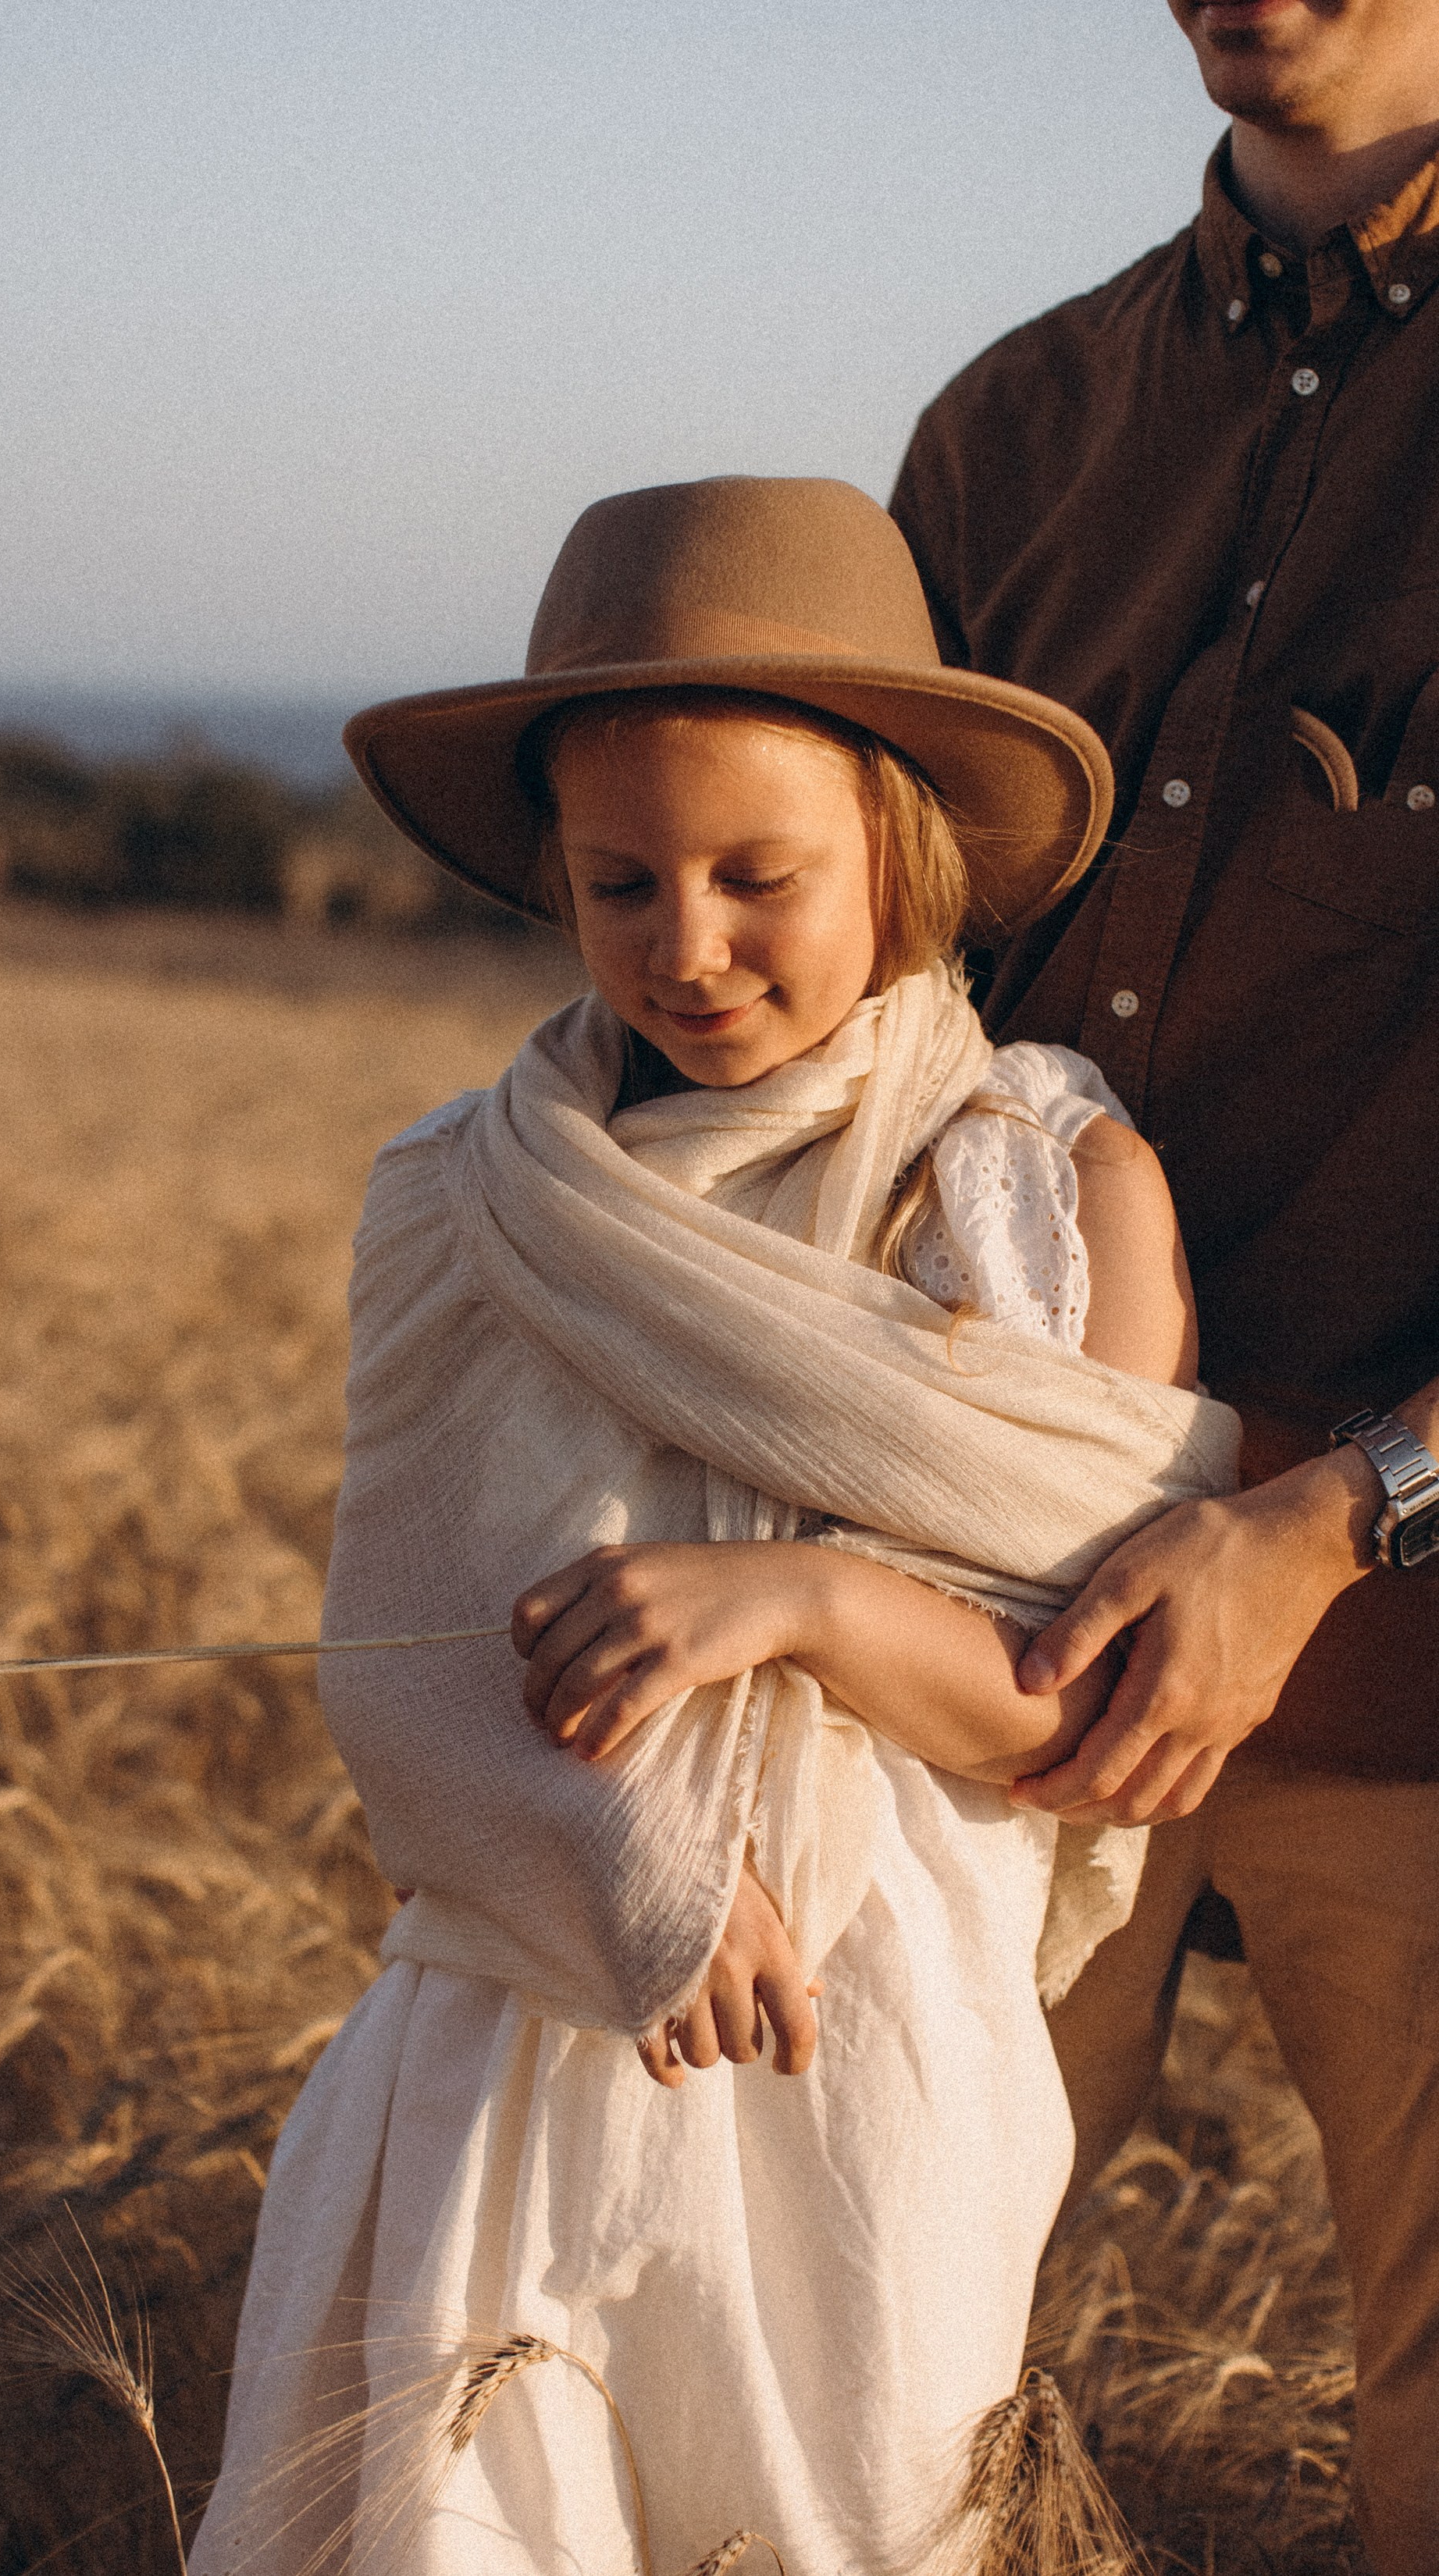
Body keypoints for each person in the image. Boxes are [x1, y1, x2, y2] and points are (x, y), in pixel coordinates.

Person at [190, 476, 1238, 2576]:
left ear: (898, 850)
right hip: (520, 2030)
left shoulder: (1035, 1187)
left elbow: (1084, 1702)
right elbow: (391, 1667)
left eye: (759, 875)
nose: (689, 944)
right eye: (618, 884)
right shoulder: (468, 1197)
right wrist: (635, 1877)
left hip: (874, 2056)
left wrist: (805, 1600)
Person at [887, 5, 1439, 2568]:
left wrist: (1326, 1523)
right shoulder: (1011, 434)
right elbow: (861, 1036)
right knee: (865, 2408)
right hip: (986, 1660)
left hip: (1418, 1681)